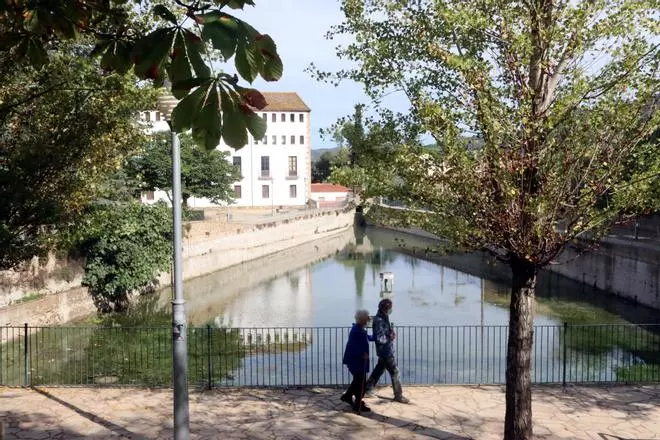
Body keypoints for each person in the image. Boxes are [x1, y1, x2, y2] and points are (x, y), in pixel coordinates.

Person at [364, 298, 409, 403]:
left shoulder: (384, 317)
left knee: (379, 369)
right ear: (385, 308)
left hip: (385, 350)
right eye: (389, 308)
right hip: (385, 351)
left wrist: (390, 332)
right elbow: (380, 338)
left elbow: (384, 332)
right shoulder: (379, 320)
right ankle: (398, 395)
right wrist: (390, 337)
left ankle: (368, 389)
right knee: (395, 371)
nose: (390, 310)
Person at [341, 309, 374, 413]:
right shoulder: (357, 331)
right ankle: (357, 404)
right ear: (363, 319)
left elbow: (367, 337)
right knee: (360, 383)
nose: (369, 319)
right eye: (367, 317)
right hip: (357, 362)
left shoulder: (359, 329)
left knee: (358, 381)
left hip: (357, 361)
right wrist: (362, 355)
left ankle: (348, 396)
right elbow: (353, 347)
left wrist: (377, 337)